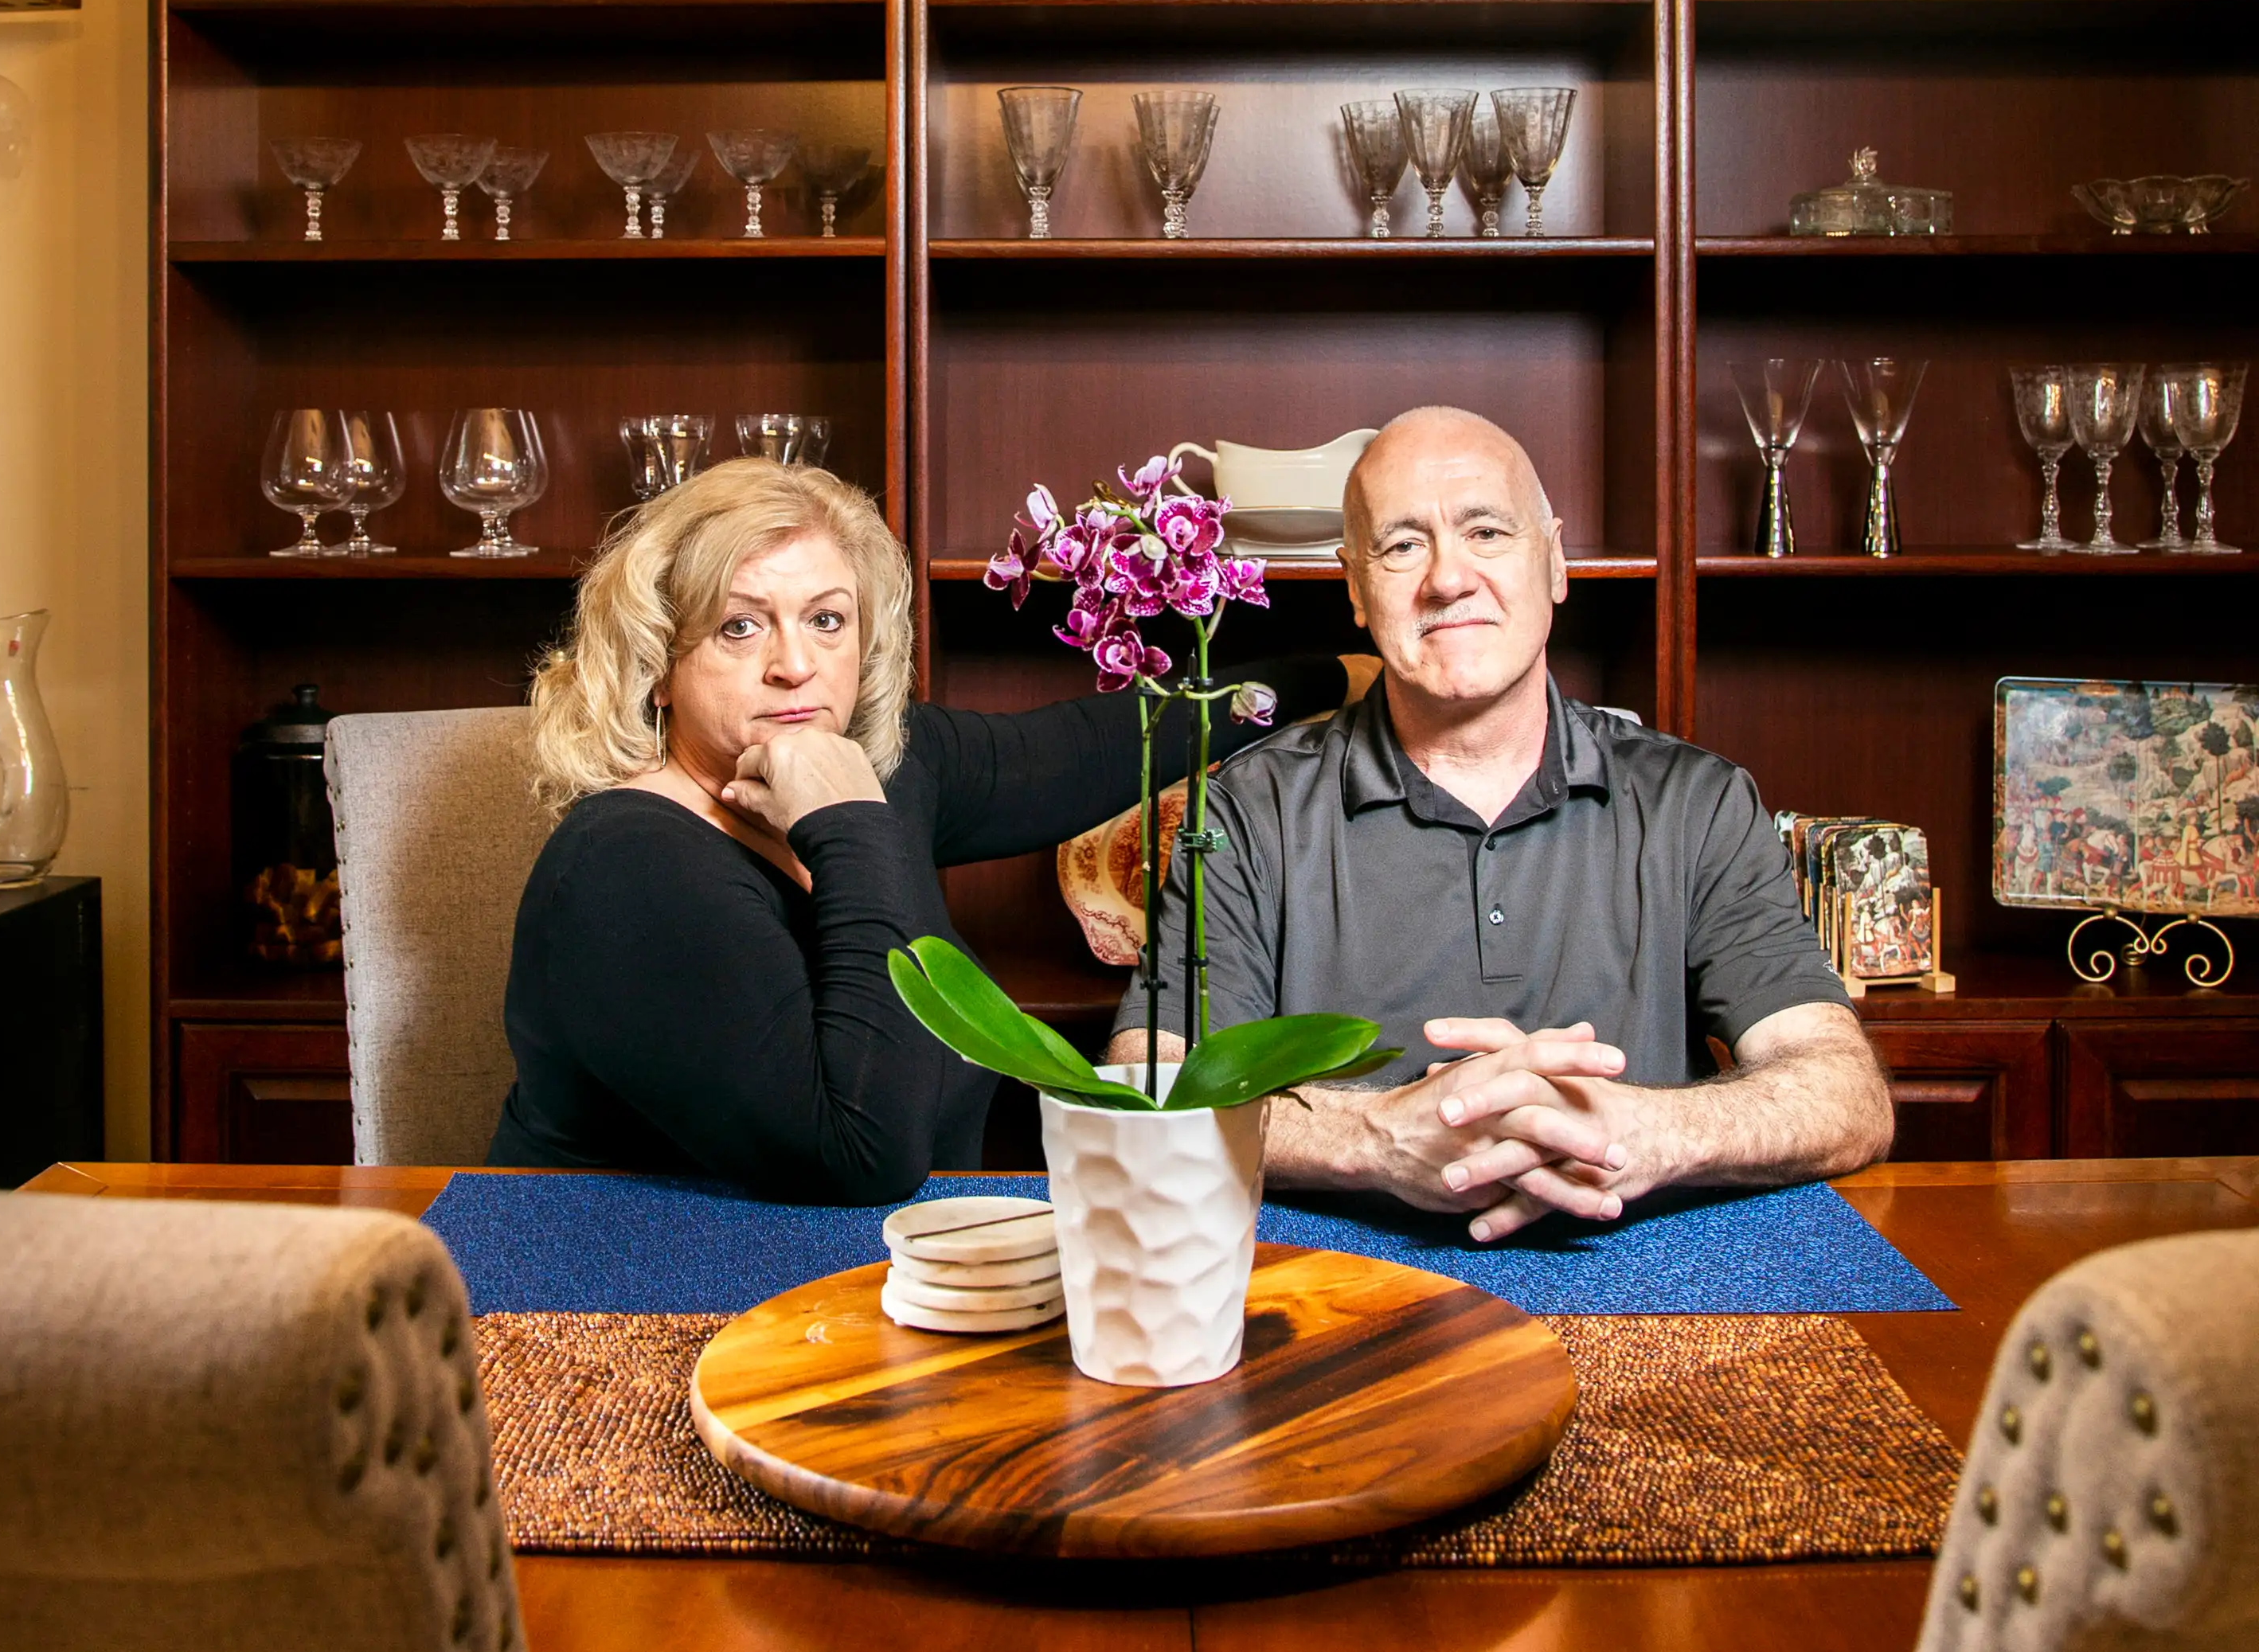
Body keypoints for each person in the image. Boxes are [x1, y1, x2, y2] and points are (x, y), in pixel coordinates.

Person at [1110, 404, 1894, 1237]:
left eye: (1486, 532)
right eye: (1402, 544)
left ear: (1553, 561)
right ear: (1353, 586)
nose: (1448, 579)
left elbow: (1845, 1093)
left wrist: (1642, 1130)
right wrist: (1380, 1138)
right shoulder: (1246, 812)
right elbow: (1144, 1087)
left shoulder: (1694, 804)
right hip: (1339, 1295)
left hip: (1644, 1289)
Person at [497, 458, 1350, 1197]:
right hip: (626, 1310)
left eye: (826, 620)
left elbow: (1086, 747)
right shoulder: (626, 865)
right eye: (739, 625)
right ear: (658, 668)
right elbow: (863, 1152)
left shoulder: (889, 768)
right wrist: (847, 822)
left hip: (868, 1292)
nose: (794, 665)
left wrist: (1337, 677)